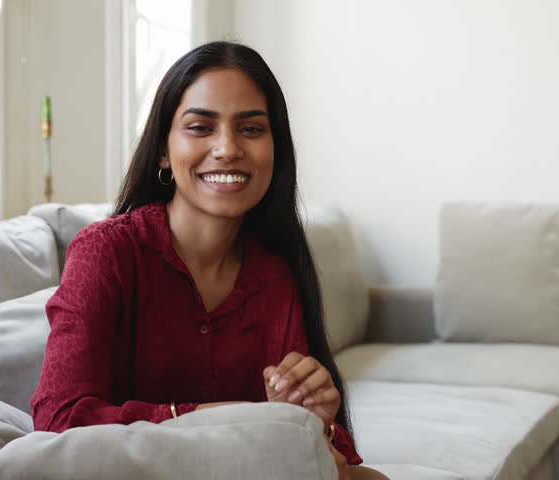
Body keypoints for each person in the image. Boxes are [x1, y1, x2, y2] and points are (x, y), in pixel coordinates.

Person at [31, 41, 389, 480]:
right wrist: (210, 415)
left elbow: (330, 456)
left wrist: (321, 419)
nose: (227, 148)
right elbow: (59, 420)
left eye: (252, 129)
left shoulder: (275, 272)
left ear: (276, 153)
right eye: (201, 127)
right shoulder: (106, 252)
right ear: (163, 150)